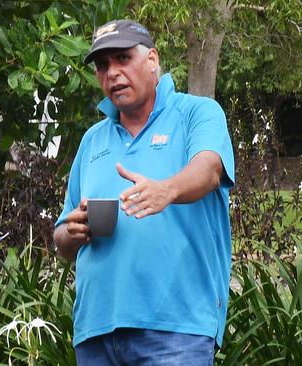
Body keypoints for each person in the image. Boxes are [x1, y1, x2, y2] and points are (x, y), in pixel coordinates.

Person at [53, 19, 235, 365]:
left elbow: (210, 169)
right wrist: (72, 231)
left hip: (176, 330)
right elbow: (61, 238)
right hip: (95, 332)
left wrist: (167, 190)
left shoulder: (196, 113)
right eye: (103, 65)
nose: (112, 73)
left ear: (152, 59)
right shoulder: (92, 140)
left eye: (122, 58)